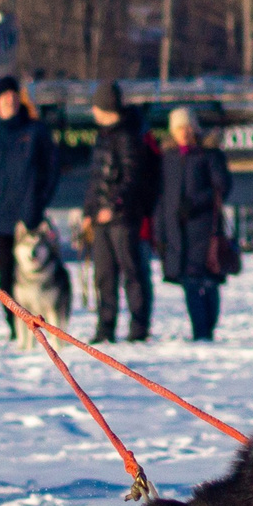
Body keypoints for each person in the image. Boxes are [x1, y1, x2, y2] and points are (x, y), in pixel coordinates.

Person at [0, 73, 60, 339]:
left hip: (29, 218)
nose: (9, 101)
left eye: (13, 96)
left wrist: (40, 204)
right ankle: (16, 326)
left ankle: (38, 324)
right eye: (4, 97)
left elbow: (51, 170)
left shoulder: (35, 131)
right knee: (6, 278)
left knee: (35, 275)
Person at [81, 80, 153, 343]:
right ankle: (105, 326)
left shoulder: (128, 136)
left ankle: (138, 327)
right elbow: (96, 180)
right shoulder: (102, 136)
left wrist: (113, 207)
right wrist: (89, 212)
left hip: (123, 219)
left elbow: (132, 178)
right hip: (101, 220)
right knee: (104, 275)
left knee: (132, 272)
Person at [156, 106, 234, 341]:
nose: (184, 132)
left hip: (204, 229)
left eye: (187, 127)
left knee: (208, 280)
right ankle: (200, 331)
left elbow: (222, 188)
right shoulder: (168, 158)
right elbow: (162, 196)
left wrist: (196, 203)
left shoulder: (209, 155)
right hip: (177, 232)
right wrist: (160, 231)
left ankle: (207, 329)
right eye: (179, 128)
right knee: (189, 282)